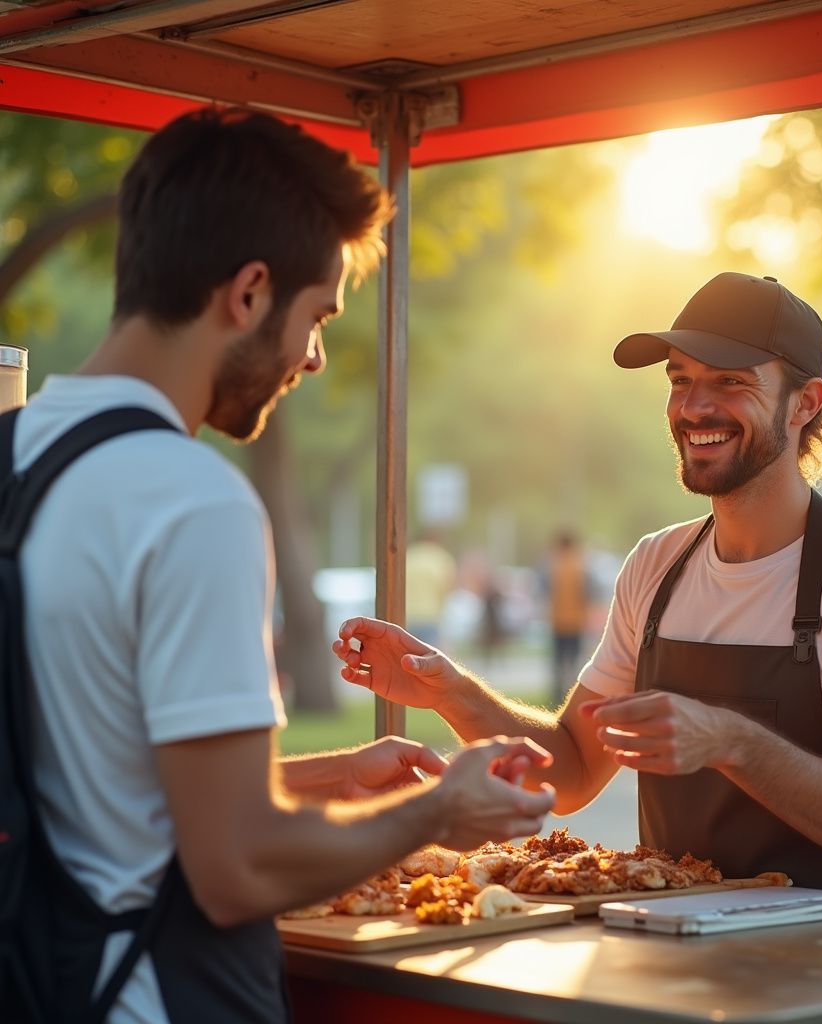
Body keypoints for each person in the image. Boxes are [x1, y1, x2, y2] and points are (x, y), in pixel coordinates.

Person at [13, 107, 554, 1022]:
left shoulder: (15, 453)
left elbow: (88, 776)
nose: (312, 356)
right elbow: (235, 868)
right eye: (318, 317)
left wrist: (323, 775)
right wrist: (438, 814)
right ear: (251, 291)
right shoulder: (192, 500)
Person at [335, 271, 822, 901]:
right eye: (680, 380)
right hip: (672, 950)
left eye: (730, 382)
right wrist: (451, 690)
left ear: (805, 402)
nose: (694, 407)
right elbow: (571, 771)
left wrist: (732, 741)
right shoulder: (656, 566)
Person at [542, 529, 591, 703]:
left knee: (558, 663)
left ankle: (557, 697)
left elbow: (547, 594)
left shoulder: (554, 567)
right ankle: (572, 695)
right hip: (575, 622)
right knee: (574, 662)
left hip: (558, 622)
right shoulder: (579, 567)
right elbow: (585, 595)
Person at [405, 528, 458, 646]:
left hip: (408, 616)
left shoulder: (409, 556)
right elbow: (448, 587)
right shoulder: (441, 558)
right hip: (430, 616)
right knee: (431, 658)